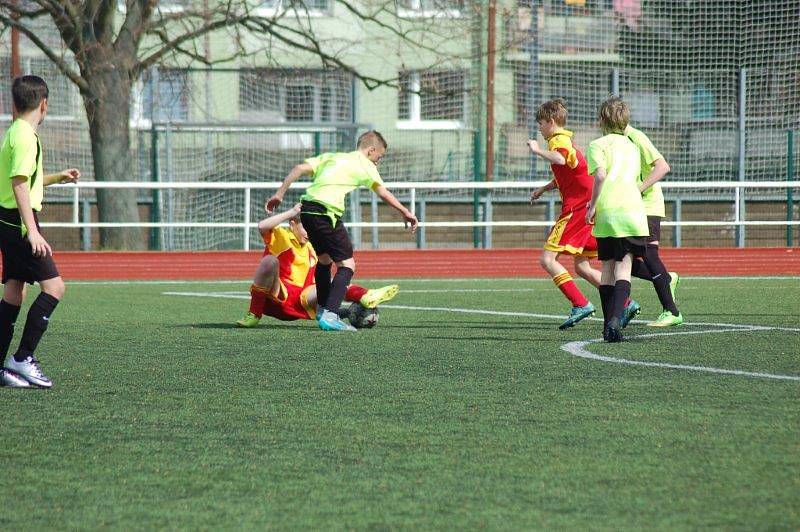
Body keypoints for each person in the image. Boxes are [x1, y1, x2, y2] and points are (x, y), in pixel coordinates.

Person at [266, 131, 417, 332]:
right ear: (371, 150)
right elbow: (382, 192)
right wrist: (405, 212)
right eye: (378, 157)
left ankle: (321, 310)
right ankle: (330, 314)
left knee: (324, 260)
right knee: (347, 265)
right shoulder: (364, 164)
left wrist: (279, 194)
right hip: (326, 212)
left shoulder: (332, 157)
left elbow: (299, 168)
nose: (377, 162)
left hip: (308, 211)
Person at [0, 75, 80, 388]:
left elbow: (23, 180)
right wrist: (32, 231)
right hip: (20, 224)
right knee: (55, 288)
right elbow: (19, 183)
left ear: (14, 104)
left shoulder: (16, 131)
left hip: (9, 220)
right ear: (44, 104)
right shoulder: (24, 137)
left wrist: (55, 178)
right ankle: (23, 358)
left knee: (14, 293)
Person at [236, 205, 399, 328]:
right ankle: (254, 314)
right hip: (278, 295)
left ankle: (364, 295)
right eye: (305, 227)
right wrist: (292, 212)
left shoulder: (313, 246)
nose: (310, 231)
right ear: (293, 225)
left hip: (304, 300)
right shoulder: (281, 236)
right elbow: (262, 226)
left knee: (330, 282)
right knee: (269, 262)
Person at [528, 99, 603, 330]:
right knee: (582, 267)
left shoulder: (557, 141)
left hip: (576, 210)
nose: (539, 129)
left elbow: (560, 158)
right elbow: (568, 171)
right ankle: (624, 302)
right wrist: (544, 188)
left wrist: (537, 150)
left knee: (547, 259)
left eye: (540, 124)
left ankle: (580, 303)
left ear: (551, 122)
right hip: (588, 207)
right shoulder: (565, 139)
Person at [585, 97, 648, 342]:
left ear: (602, 119)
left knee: (608, 269)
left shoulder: (597, 145)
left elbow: (600, 175)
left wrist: (593, 205)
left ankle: (607, 325)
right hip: (632, 210)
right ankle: (614, 321)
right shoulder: (632, 145)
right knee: (624, 268)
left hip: (609, 211)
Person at [626, 125, 684, 327]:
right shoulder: (616, 141)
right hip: (630, 207)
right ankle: (666, 279)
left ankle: (671, 310)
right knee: (623, 260)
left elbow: (662, 166)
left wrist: (639, 189)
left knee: (650, 256)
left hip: (647, 206)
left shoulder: (636, 137)